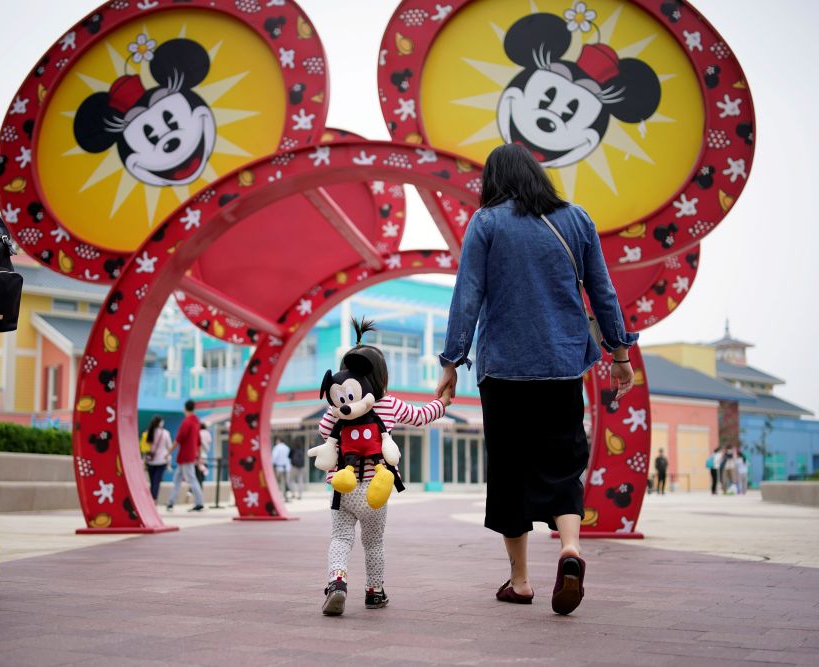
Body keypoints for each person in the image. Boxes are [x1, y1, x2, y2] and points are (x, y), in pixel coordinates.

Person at [436, 144, 636, 616]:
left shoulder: (486, 223)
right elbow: (603, 291)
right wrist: (620, 352)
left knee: (510, 471)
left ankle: (521, 581)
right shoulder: (576, 219)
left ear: (493, 181)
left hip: (503, 369)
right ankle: (570, 550)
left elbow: (468, 296)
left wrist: (451, 362)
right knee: (562, 462)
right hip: (562, 365)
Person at [314, 318, 452, 616]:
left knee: (340, 538)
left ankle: (337, 581)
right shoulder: (389, 405)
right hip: (377, 490)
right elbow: (421, 416)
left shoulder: (337, 406)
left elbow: (325, 432)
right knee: (374, 543)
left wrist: (337, 413)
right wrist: (443, 402)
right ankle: (375, 592)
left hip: (344, 489)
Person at [166, 400, 205, 511]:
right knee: (177, 478)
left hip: (185, 456)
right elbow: (198, 441)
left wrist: (169, 452)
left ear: (185, 408)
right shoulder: (196, 422)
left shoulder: (187, 422)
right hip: (190, 455)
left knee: (191, 479)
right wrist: (199, 455)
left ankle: (199, 502)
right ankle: (171, 501)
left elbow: (179, 438)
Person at [143, 416, 171, 503]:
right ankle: (153, 499)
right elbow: (169, 447)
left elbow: (145, 448)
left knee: (152, 481)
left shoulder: (148, 432)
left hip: (150, 460)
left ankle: (151, 499)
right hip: (161, 461)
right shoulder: (165, 433)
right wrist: (169, 462)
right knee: (156, 481)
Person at [271, 437, 291, 502]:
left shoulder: (277, 447)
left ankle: (277, 496)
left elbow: (274, 457)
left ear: (279, 440)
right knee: (284, 483)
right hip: (286, 467)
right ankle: (285, 496)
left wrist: (271, 464)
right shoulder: (287, 448)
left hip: (279, 467)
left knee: (277, 482)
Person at [196, 423, 212, 488]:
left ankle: (193, 490)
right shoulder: (207, 433)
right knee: (202, 475)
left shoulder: (198, 433)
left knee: (196, 474)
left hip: (197, 456)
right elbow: (209, 442)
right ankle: (200, 487)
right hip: (204, 456)